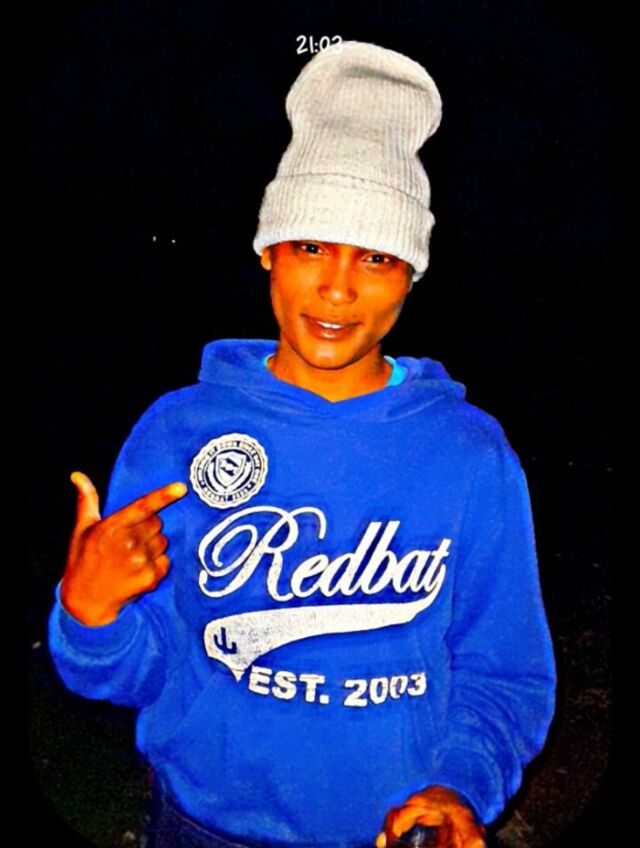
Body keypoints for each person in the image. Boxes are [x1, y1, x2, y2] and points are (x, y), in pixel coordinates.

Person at [48, 41, 556, 848]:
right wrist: (90, 609)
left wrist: (459, 784)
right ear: (268, 251)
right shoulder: (179, 433)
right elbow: (139, 672)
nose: (338, 287)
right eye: (312, 245)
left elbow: (504, 672)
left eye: (377, 257)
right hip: (200, 827)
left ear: (411, 275)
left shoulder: (469, 454)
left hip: (395, 832)